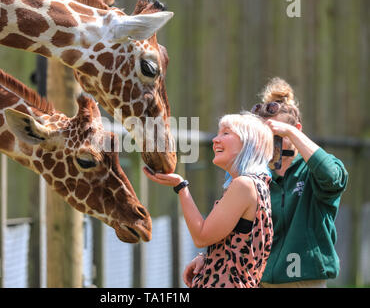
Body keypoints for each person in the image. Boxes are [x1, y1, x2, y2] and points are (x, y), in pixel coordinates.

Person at [184, 77, 349, 288]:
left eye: (277, 133)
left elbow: (333, 178)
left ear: (297, 129)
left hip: (304, 282)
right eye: (263, 134)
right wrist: (207, 258)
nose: (271, 139)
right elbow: (236, 231)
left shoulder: (311, 170)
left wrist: (289, 132)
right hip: (259, 281)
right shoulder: (256, 178)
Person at [144, 113, 274, 288]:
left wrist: (181, 187)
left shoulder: (244, 185)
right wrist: (206, 259)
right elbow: (238, 250)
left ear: (252, 143)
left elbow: (201, 236)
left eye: (226, 133)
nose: (215, 140)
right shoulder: (258, 185)